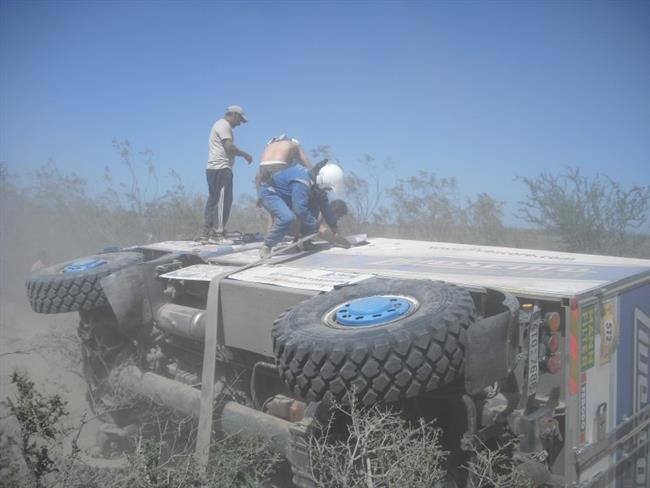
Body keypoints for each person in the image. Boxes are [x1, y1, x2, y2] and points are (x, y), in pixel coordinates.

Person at [258, 160, 345, 258]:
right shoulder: (302, 181)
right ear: (323, 181)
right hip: (271, 193)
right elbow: (300, 210)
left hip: (288, 195)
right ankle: (267, 246)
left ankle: (305, 241)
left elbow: (326, 209)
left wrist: (335, 230)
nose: (328, 191)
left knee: (316, 202)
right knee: (287, 218)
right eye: (328, 188)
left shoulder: (317, 187)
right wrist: (316, 226)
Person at [202, 105, 253, 243]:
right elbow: (229, 147)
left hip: (212, 168)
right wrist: (245, 155)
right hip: (222, 168)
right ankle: (218, 234)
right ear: (234, 115)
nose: (240, 124)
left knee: (213, 200)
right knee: (223, 201)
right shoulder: (224, 126)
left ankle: (206, 233)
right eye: (240, 120)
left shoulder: (218, 124)